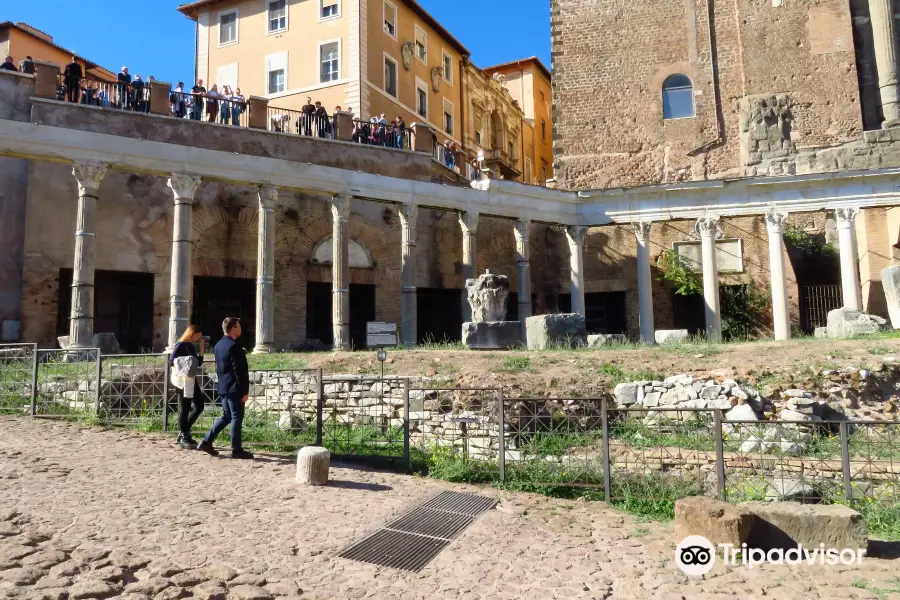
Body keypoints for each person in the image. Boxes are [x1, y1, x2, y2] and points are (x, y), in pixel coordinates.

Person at [197, 318, 253, 459]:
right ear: (233, 327)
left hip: (223, 386)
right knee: (236, 417)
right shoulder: (234, 346)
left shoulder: (219, 345)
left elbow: (220, 369)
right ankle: (237, 449)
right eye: (239, 326)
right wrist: (244, 391)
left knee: (227, 416)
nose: (241, 328)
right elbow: (239, 371)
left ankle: (206, 441)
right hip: (234, 388)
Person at [169, 325, 206, 449]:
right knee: (185, 408)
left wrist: (201, 350)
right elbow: (171, 360)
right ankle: (185, 435)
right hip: (182, 380)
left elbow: (197, 363)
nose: (199, 338)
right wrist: (186, 363)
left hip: (191, 380)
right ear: (192, 333)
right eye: (198, 335)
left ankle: (184, 431)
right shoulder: (181, 344)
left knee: (200, 405)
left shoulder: (191, 346)